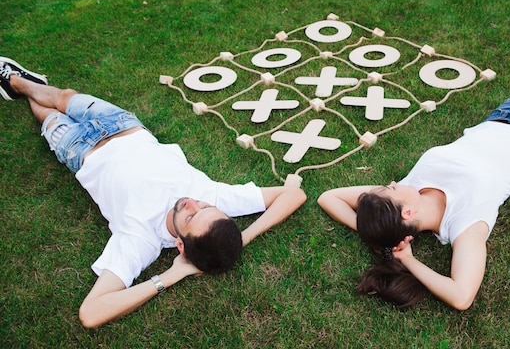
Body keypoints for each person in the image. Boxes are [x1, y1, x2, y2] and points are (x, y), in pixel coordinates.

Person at [0, 57, 307, 328]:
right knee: (65, 97)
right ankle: (20, 81)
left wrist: (170, 277)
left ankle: (18, 84)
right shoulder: (215, 199)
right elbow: (294, 195)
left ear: (180, 246)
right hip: (123, 125)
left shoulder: (141, 240)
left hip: (78, 150)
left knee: (47, 115)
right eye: (203, 206)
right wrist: (244, 237)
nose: (192, 204)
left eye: (190, 216)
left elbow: (91, 313)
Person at [317, 48, 510, 311]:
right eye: (391, 189)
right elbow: (462, 296)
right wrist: (407, 260)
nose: (394, 183)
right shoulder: (464, 225)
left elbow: (328, 196)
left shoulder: (410, 186)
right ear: (407, 213)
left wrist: (379, 237)